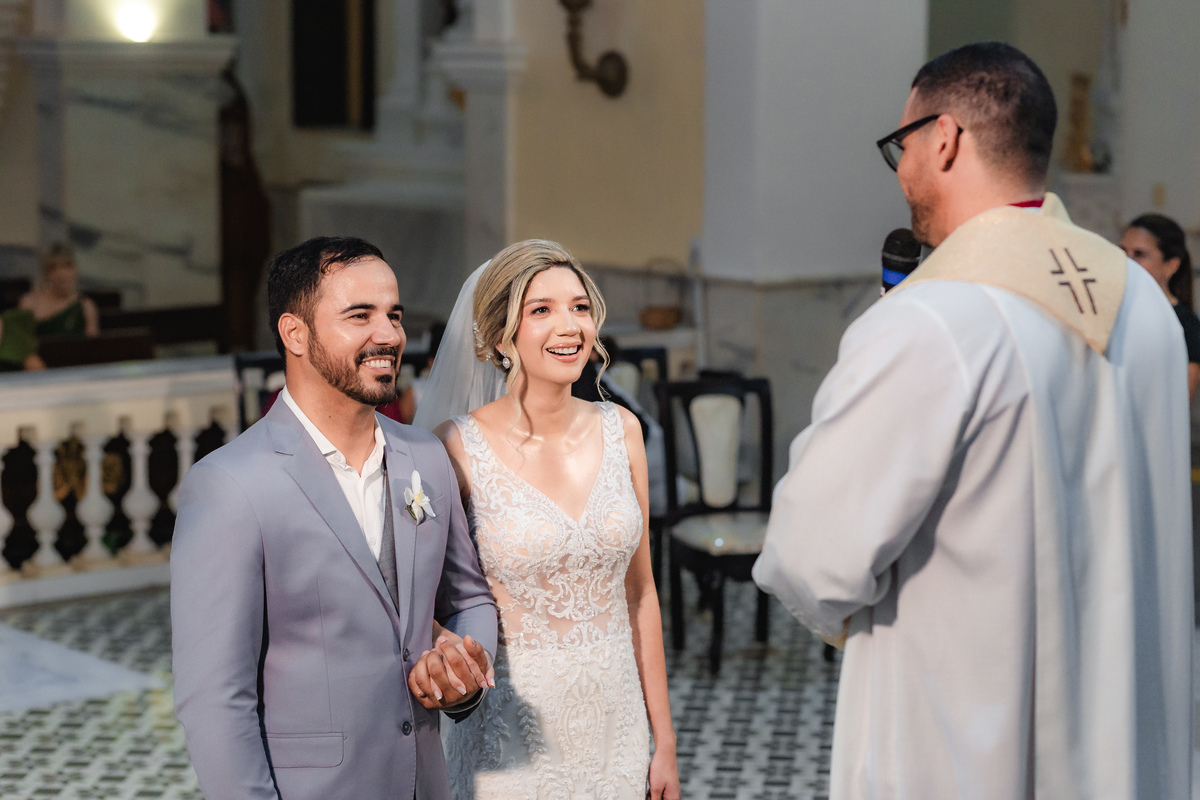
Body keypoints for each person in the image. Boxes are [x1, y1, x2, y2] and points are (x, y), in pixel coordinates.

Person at [753, 42, 1191, 799]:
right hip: (1124, 747)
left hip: (959, 748)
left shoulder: (928, 319)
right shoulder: (1145, 303)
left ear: (946, 138)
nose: (900, 171)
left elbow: (811, 556)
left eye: (904, 145)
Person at [170, 236, 499, 800]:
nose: (389, 335)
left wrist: (462, 672)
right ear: (294, 333)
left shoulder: (425, 457)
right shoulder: (230, 485)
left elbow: (469, 600)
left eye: (393, 315)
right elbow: (216, 700)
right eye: (360, 316)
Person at [417, 240, 680, 800]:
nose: (570, 326)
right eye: (541, 310)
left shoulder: (622, 430)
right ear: (499, 338)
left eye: (580, 307)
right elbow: (428, 602)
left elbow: (641, 595)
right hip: (511, 741)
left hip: (618, 731)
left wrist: (665, 741)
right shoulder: (455, 449)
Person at [1120, 213, 1200, 398]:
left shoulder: (1185, 325)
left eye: (1139, 254)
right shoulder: (1112, 311)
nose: (1127, 261)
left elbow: (1181, 401)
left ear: (1171, 265)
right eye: (1123, 251)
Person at [19, 244, 100, 337]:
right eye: (54, 268)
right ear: (45, 274)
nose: (61, 274)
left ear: (75, 269)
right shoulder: (29, 303)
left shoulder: (86, 307)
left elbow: (93, 347)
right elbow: (22, 343)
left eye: (67, 266)